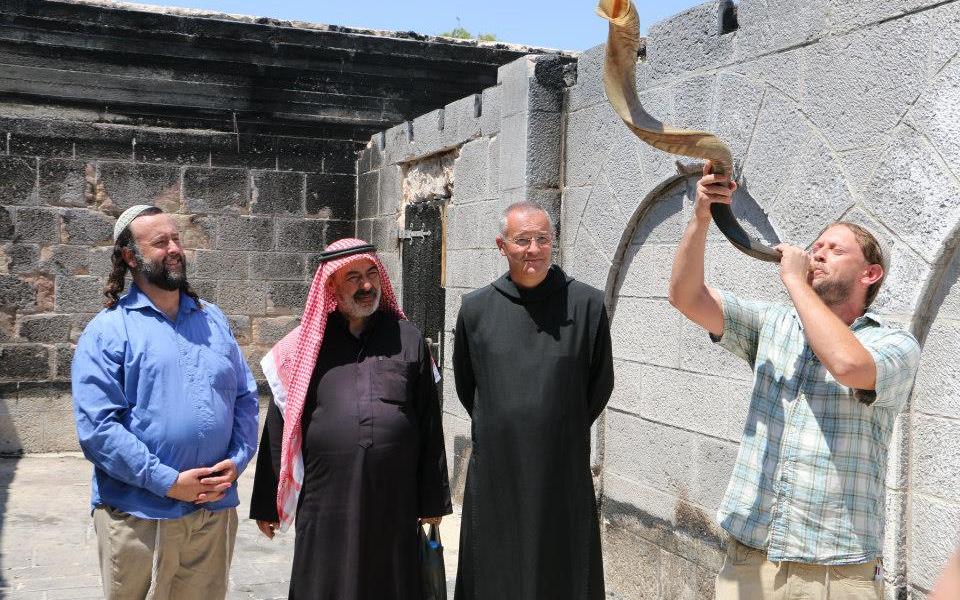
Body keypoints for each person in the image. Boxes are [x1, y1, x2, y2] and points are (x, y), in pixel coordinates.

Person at [669, 164, 922, 599]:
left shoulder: (894, 343)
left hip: (835, 572)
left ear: (870, 274)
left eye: (835, 250)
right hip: (751, 558)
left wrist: (793, 280)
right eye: (816, 246)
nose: (817, 253)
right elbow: (686, 297)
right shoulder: (775, 323)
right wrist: (702, 217)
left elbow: (847, 365)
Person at [72, 205, 259, 600]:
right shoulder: (107, 331)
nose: (174, 248)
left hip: (213, 513)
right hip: (140, 519)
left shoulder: (213, 320)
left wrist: (238, 461)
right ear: (130, 257)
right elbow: (98, 430)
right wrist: (170, 483)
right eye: (160, 243)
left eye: (176, 239)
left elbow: (244, 396)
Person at [249, 237, 451, 600]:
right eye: (353, 277)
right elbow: (281, 422)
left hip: (395, 498)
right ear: (330, 285)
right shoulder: (303, 345)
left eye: (372, 273)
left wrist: (432, 499)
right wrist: (268, 502)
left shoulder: (406, 337)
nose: (367, 285)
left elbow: (429, 423)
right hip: (326, 500)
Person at [452, 201, 615, 600]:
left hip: (561, 467)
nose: (533, 249)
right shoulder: (475, 310)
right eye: (522, 239)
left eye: (543, 239)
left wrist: (555, 422)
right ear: (501, 245)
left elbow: (599, 384)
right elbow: (467, 384)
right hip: (499, 469)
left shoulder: (587, 305)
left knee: (562, 571)